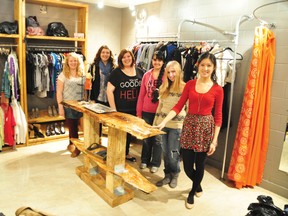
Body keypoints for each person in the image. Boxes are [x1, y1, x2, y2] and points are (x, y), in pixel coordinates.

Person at [154, 52, 223, 209]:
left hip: (205, 128)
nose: (205, 68)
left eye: (209, 66)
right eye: (203, 65)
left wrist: (214, 140)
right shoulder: (191, 84)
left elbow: (218, 116)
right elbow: (178, 106)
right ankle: (197, 184)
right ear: (198, 65)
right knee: (186, 166)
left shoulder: (218, 89)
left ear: (213, 68)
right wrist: (163, 122)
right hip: (189, 125)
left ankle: (192, 191)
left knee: (200, 164)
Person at [153, 60, 186, 187]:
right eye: (168, 72)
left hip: (176, 126)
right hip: (162, 125)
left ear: (179, 72)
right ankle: (167, 175)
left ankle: (175, 174)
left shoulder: (185, 87)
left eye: (173, 72)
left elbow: (187, 109)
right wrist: (155, 123)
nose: (171, 75)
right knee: (165, 153)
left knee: (173, 153)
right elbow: (159, 107)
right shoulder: (163, 87)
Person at [106, 48, 143, 162]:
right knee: (118, 133)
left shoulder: (140, 71)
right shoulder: (116, 73)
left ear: (132, 57)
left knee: (128, 134)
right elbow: (109, 91)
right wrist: (114, 109)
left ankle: (125, 153)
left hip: (134, 109)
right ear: (120, 60)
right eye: (124, 57)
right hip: (120, 109)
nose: (127, 59)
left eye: (128, 56)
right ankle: (115, 154)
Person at [136, 51, 165, 173]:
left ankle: (156, 162)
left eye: (159, 60)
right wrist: (139, 113)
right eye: (154, 60)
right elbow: (141, 94)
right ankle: (144, 160)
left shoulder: (166, 76)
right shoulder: (146, 75)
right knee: (146, 138)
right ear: (152, 61)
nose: (156, 62)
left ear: (163, 62)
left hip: (160, 113)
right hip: (146, 111)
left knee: (158, 139)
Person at [57, 52, 84, 158]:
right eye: (71, 60)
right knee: (73, 127)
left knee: (76, 125)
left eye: (75, 60)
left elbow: (84, 89)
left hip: (80, 104)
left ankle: (71, 143)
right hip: (68, 105)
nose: (73, 62)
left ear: (78, 62)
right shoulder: (63, 75)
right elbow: (59, 92)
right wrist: (60, 107)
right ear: (67, 62)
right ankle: (77, 148)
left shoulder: (82, 73)